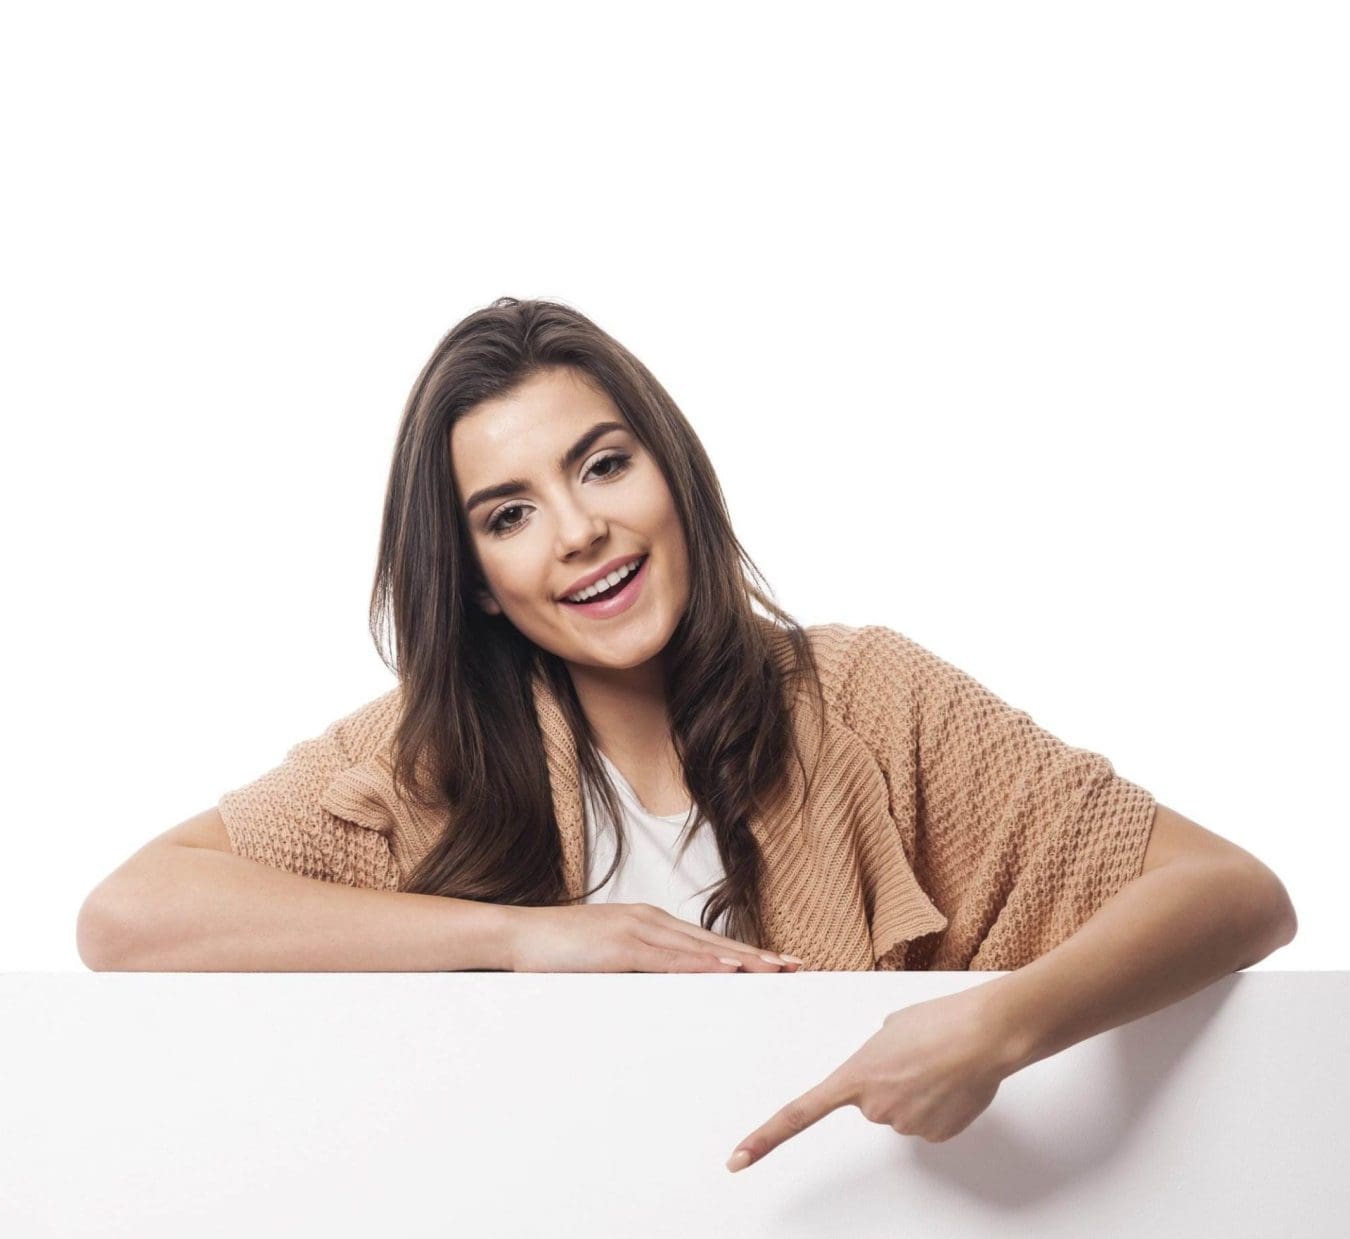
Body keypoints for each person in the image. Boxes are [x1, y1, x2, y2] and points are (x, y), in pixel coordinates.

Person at [76, 297, 1296, 1162]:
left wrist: (995, 1026)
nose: (576, 532)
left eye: (602, 466)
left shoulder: (871, 697)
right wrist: (527, 940)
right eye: (509, 514)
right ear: (477, 581)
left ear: (673, 473)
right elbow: (128, 916)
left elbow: (1232, 893)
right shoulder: (423, 757)